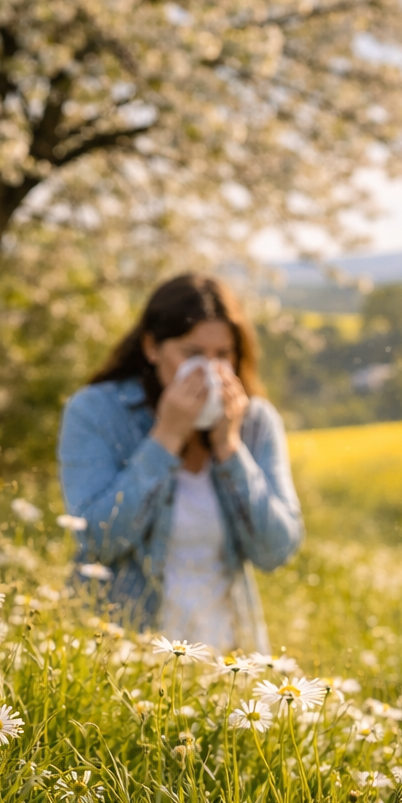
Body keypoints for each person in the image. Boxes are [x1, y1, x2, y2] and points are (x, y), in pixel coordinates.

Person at [58, 273, 303, 652]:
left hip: (228, 660)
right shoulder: (96, 411)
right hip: (124, 655)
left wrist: (229, 447)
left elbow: (276, 551)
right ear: (152, 347)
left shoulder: (255, 422)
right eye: (192, 355)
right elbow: (96, 543)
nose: (210, 370)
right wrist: (166, 438)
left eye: (223, 355)